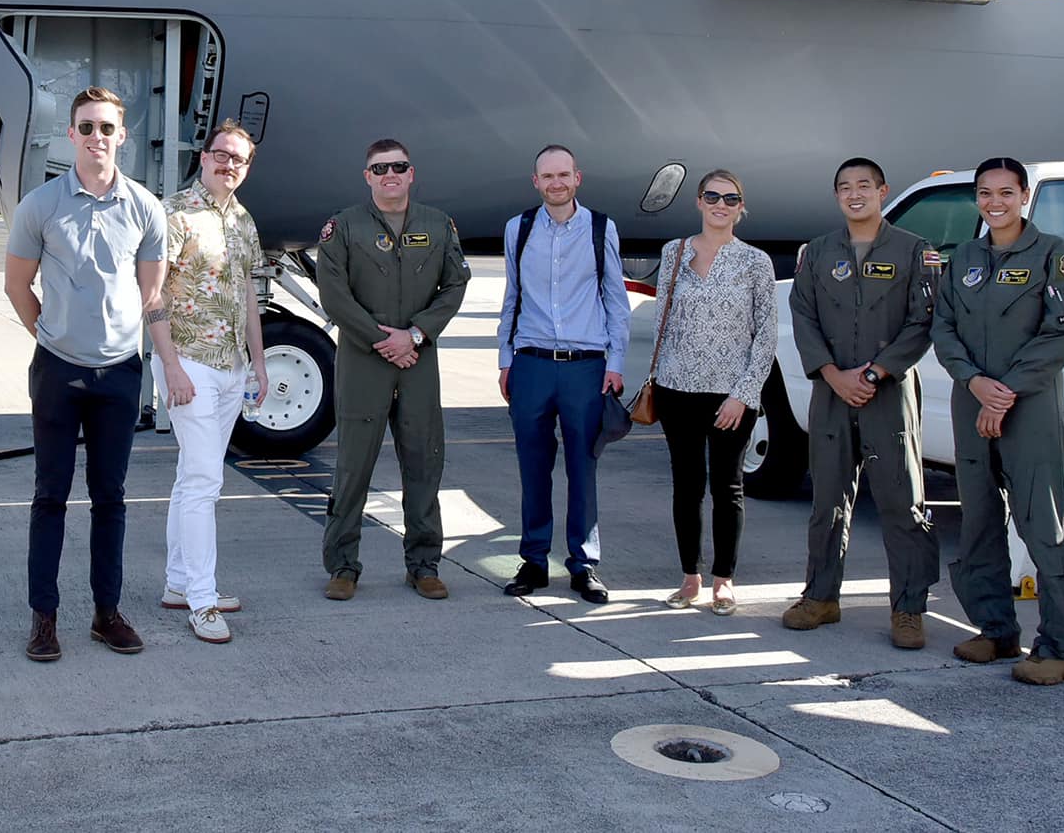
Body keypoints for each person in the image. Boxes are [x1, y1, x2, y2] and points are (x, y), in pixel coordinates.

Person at [5, 86, 166, 662]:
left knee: (111, 498)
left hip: (120, 375)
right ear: (70, 134)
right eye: (87, 127)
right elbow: (16, 286)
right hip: (58, 374)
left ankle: (106, 613)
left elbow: (152, 295)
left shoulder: (146, 208)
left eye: (107, 127)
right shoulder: (40, 205)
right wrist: (51, 339)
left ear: (122, 135)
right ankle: (44, 619)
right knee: (50, 496)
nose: (97, 137)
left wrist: (157, 358)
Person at [933, 156, 1064, 684]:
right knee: (977, 520)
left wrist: (1005, 393)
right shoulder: (965, 258)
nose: (994, 203)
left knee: (1045, 523)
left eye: (1005, 192)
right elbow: (944, 327)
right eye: (984, 193)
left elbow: (1061, 331)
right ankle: (996, 629)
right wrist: (975, 384)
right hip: (971, 400)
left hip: (1031, 407)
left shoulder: (1054, 255)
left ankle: (1059, 647)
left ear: (1024, 196)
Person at [783, 157, 940, 649]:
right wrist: (833, 375)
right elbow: (803, 317)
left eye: (864, 186)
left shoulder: (915, 251)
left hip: (888, 393)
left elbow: (922, 323)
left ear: (882, 191)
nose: (855, 194)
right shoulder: (817, 252)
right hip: (831, 393)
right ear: (837, 197)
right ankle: (822, 596)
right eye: (845, 187)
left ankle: (909, 608)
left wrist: (873, 373)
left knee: (901, 500)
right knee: (827, 499)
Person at [315, 138, 471, 601]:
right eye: (379, 168)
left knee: (424, 465)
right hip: (365, 362)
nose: (390, 175)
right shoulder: (343, 226)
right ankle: (343, 566)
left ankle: (424, 565)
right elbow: (334, 294)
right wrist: (384, 339)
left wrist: (417, 335)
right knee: (352, 469)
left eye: (398, 167)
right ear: (368, 177)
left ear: (411, 173)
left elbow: (455, 285)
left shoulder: (438, 225)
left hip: (418, 362)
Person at [149, 121, 269, 643]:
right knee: (204, 482)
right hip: (189, 359)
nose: (229, 164)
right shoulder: (174, 214)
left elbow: (248, 296)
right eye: (221, 154)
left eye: (239, 159)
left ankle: (180, 582)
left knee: (193, 477)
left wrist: (259, 363)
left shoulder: (243, 220)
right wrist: (170, 366)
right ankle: (202, 597)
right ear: (203, 156)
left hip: (230, 364)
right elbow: (151, 296)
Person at [496, 144, 627, 604]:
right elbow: (512, 297)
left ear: (577, 178)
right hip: (531, 362)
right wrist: (505, 359)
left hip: (584, 367)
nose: (556, 183)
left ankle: (583, 564)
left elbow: (615, 300)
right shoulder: (519, 228)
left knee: (582, 468)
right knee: (533, 469)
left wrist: (615, 363)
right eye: (547, 176)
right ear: (536, 182)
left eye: (563, 175)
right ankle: (533, 560)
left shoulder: (599, 228)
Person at [651, 168, 776, 616]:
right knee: (686, 485)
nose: (721, 204)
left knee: (728, 486)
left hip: (730, 395)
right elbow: (663, 320)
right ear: (699, 202)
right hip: (676, 388)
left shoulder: (755, 262)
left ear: (742, 208)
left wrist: (743, 394)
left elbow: (766, 336)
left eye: (730, 198)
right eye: (712, 196)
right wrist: (660, 379)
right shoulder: (675, 252)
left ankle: (724, 580)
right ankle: (689, 578)